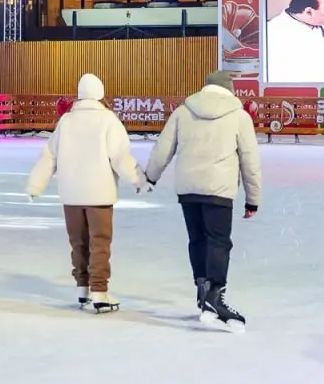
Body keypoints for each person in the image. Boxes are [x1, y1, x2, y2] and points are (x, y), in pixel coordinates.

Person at [145, 70, 262, 330]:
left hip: (189, 189)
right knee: (219, 241)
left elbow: (162, 148)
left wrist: (150, 177)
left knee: (197, 240)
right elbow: (250, 161)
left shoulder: (183, 112)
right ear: (229, 90)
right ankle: (214, 297)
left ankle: (203, 291)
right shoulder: (239, 116)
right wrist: (252, 199)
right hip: (219, 189)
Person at [26, 73, 144, 313]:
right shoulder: (108, 120)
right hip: (99, 193)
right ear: (100, 93)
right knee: (99, 243)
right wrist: (138, 179)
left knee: (78, 242)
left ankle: (82, 288)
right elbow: (120, 156)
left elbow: (49, 157)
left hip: (71, 194)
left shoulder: (66, 121)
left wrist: (35, 185)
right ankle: (99, 291)